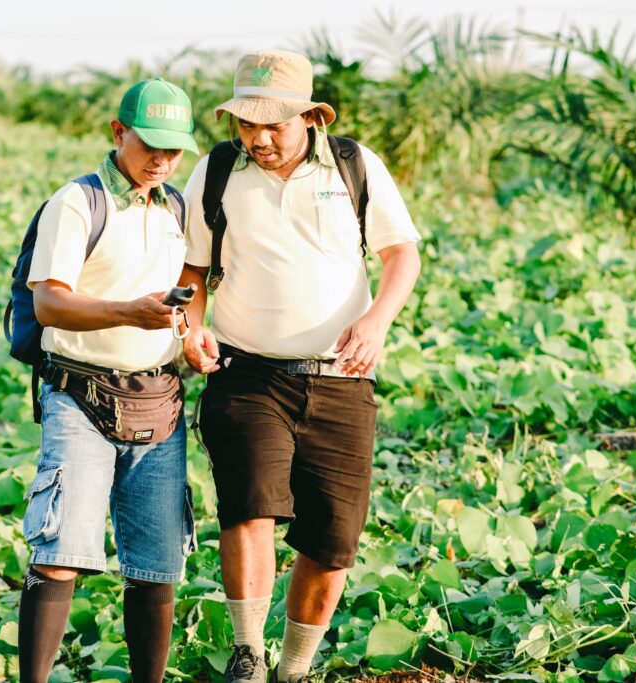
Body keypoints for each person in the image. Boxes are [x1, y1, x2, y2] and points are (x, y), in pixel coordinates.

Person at [178, 50, 423, 682]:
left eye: (273, 126)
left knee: (333, 539)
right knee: (250, 503)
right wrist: (192, 327)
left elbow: (401, 256)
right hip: (246, 369)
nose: (257, 139)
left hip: (342, 377)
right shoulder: (215, 170)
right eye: (245, 125)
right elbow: (193, 271)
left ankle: (293, 669)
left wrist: (376, 322)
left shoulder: (353, 166)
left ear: (310, 116)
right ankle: (247, 654)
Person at [17, 77, 200, 683]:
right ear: (118, 133)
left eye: (173, 151)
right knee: (60, 553)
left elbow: (183, 300)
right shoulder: (78, 201)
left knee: (157, 564)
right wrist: (129, 310)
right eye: (150, 145)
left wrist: (193, 337)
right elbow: (50, 304)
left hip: (158, 397)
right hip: (79, 394)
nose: (162, 161)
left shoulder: (175, 207)